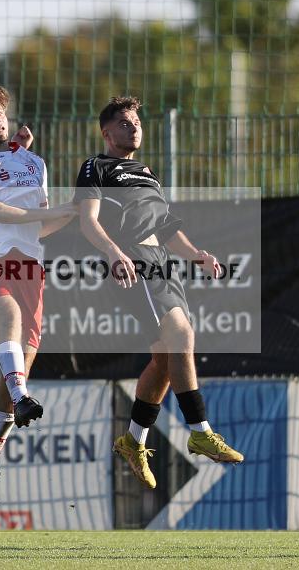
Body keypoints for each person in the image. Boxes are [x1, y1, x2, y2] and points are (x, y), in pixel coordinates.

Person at [74, 96, 244, 490]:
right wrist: (113, 252)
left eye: (136, 121)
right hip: (133, 260)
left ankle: (133, 441)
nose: (133, 127)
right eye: (124, 122)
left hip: (162, 261)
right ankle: (201, 430)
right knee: (181, 336)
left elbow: (166, 227)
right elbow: (87, 221)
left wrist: (197, 254)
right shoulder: (95, 166)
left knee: (166, 360)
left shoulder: (147, 172)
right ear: (106, 131)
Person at [0, 86, 74, 505]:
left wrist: (68, 214)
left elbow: (38, 226)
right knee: (8, 321)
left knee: (19, 360)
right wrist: (55, 211)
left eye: (0, 113)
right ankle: (21, 398)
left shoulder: (33, 162)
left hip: (30, 267)